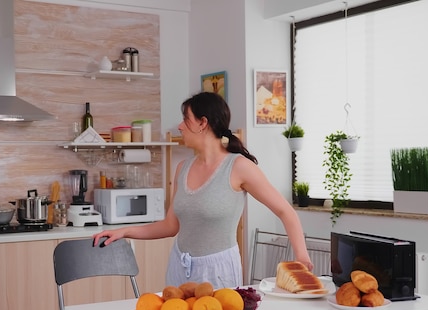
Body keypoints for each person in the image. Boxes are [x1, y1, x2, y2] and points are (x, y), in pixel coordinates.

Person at [93, 92, 313, 289]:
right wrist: (123, 232)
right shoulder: (182, 168)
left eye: (185, 119)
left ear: (202, 123)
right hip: (179, 266)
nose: (179, 126)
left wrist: (302, 255)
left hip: (218, 272)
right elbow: (170, 226)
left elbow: (286, 211)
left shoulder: (239, 167)